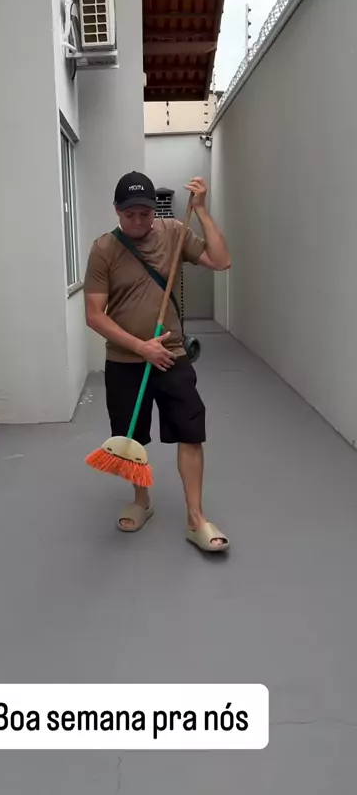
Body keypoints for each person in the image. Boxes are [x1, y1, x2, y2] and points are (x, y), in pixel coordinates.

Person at [83, 171, 232, 552]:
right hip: (124, 360)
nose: (138, 221)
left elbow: (221, 260)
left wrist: (202, 211)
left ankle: (196, 518)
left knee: (190, 432)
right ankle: (141, 502)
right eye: (130, 214)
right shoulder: (104, 249)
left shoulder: (174, 232)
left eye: (145, 213)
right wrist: (140, 347)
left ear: (154, 210)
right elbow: (94, 315)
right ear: (117, 210)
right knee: (131, 437)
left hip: (172, 355)